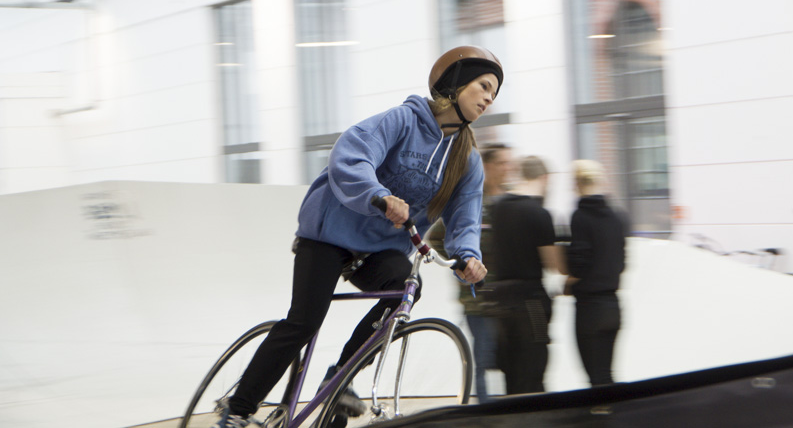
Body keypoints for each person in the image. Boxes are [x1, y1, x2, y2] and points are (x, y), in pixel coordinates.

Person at [212, 46, 502, 428]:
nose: (488, 99)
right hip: (329, 233)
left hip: (380, 249)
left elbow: (465, 216)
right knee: (305, 320)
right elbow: (351, 155)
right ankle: (239, 408)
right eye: (483, 86)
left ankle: (338, 379)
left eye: (494, 94)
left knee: (404, 290)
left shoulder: (466, 159)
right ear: (454, 83)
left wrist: (467, 255)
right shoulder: (403, 120)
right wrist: (378, 196)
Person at [428, 143, 514, 402]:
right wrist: (460, 264)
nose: (507, 168)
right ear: (487, 167)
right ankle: (485, 412)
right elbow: (436, 238)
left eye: (509, 163)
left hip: (509, 298)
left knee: (510, 359)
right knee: (483, 358)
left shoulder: (509, 201)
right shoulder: (470, 201)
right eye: (501, 163)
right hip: (479, 300)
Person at [490, 155, 565, 395]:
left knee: (510, 372)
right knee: (534, 370)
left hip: (500, 300)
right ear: (544, 178)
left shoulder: (497, 207)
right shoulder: (539, 213)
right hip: (531, 301)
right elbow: (554, 264)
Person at [565, 159, 628, 387]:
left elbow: (579, 263)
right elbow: (622, 262)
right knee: (607, 376)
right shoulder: (618, 216)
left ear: (577, 183)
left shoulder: (580, 216)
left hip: (589, 309)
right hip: (613, 307)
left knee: (595, 381)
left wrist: (569, 281)